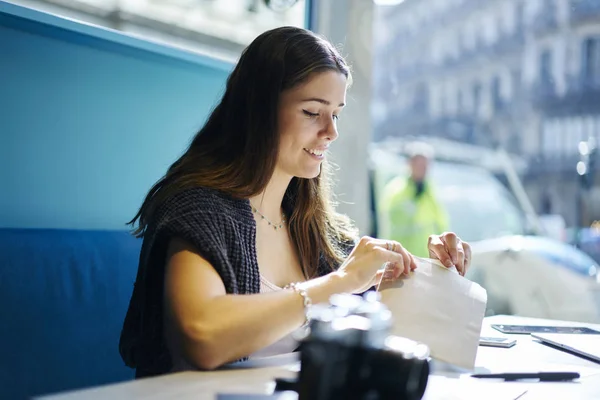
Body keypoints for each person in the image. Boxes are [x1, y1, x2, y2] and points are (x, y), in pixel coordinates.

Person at [119, 26, 470, 378]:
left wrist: (435, 280)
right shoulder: (199, 208)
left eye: (335, 113)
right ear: (259, 110)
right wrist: (340, 282)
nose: (331, 131)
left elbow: (380, 331)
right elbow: (204, 337)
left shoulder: (316, 227)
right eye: (311, 111)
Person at [378, 142, 449, 258]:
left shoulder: (431, 191)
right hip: (401, 257)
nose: (423, 170)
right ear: (410, 164)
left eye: (425, 166)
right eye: (420, 165)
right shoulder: (396, 190)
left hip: (425, 257)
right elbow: (388, 221)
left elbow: (441, 221)